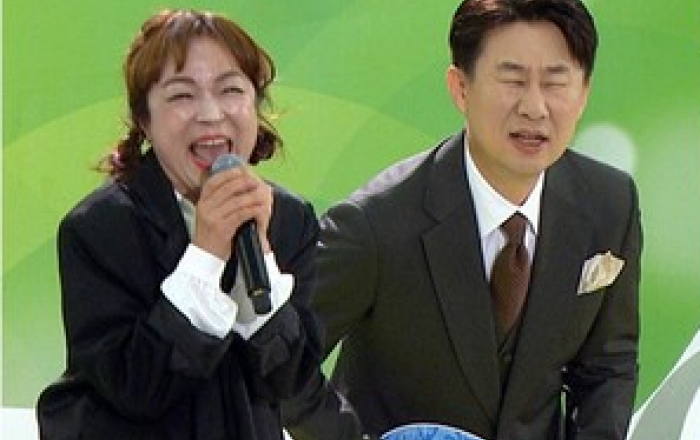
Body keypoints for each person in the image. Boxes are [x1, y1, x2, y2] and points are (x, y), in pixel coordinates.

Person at [283, 0, 642, 439]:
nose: (534, 107)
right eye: (512, 80)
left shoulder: (610, 203)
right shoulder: (375, 224)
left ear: (583, 92)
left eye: (555, 82)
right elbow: (283, 364)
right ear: (460, 88)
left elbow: (607, 364)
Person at [37, 9, 322, 440]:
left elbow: (292, 382)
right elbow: (135, 388)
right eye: (182, 95)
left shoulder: (290, 219)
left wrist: (260, 255)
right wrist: (206, 255)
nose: (210, 114)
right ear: (144, 121)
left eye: (231, 90)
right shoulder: (99, 229)